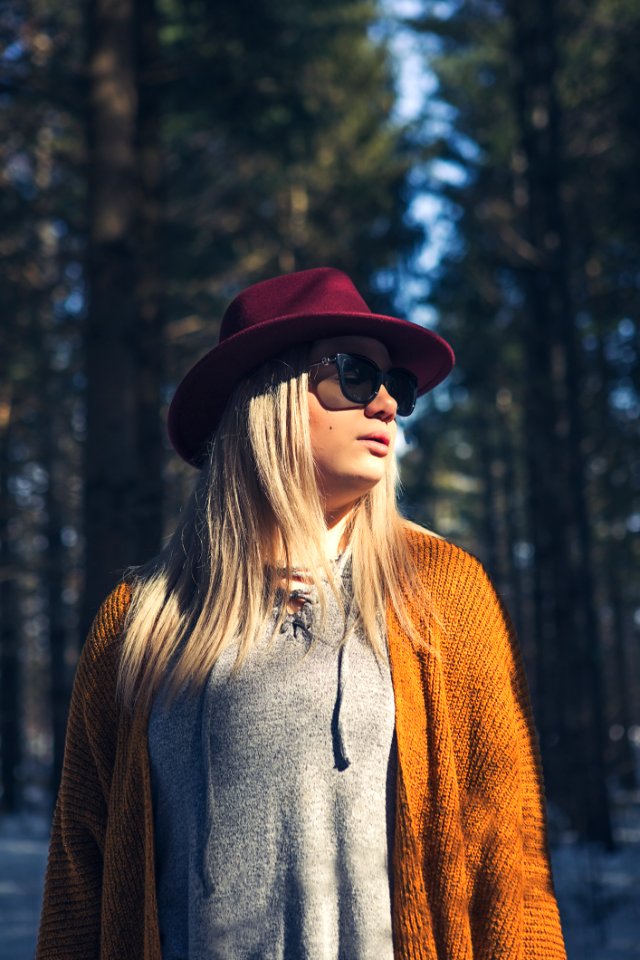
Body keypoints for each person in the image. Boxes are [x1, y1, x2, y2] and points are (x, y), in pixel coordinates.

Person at [36, 267, 567, 960]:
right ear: (269, 394)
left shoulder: (441, 594)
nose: (385, 405)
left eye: (395, 387)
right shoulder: (142, 620)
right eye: (354, 374)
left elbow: (508, 860)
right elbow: (81, 879)